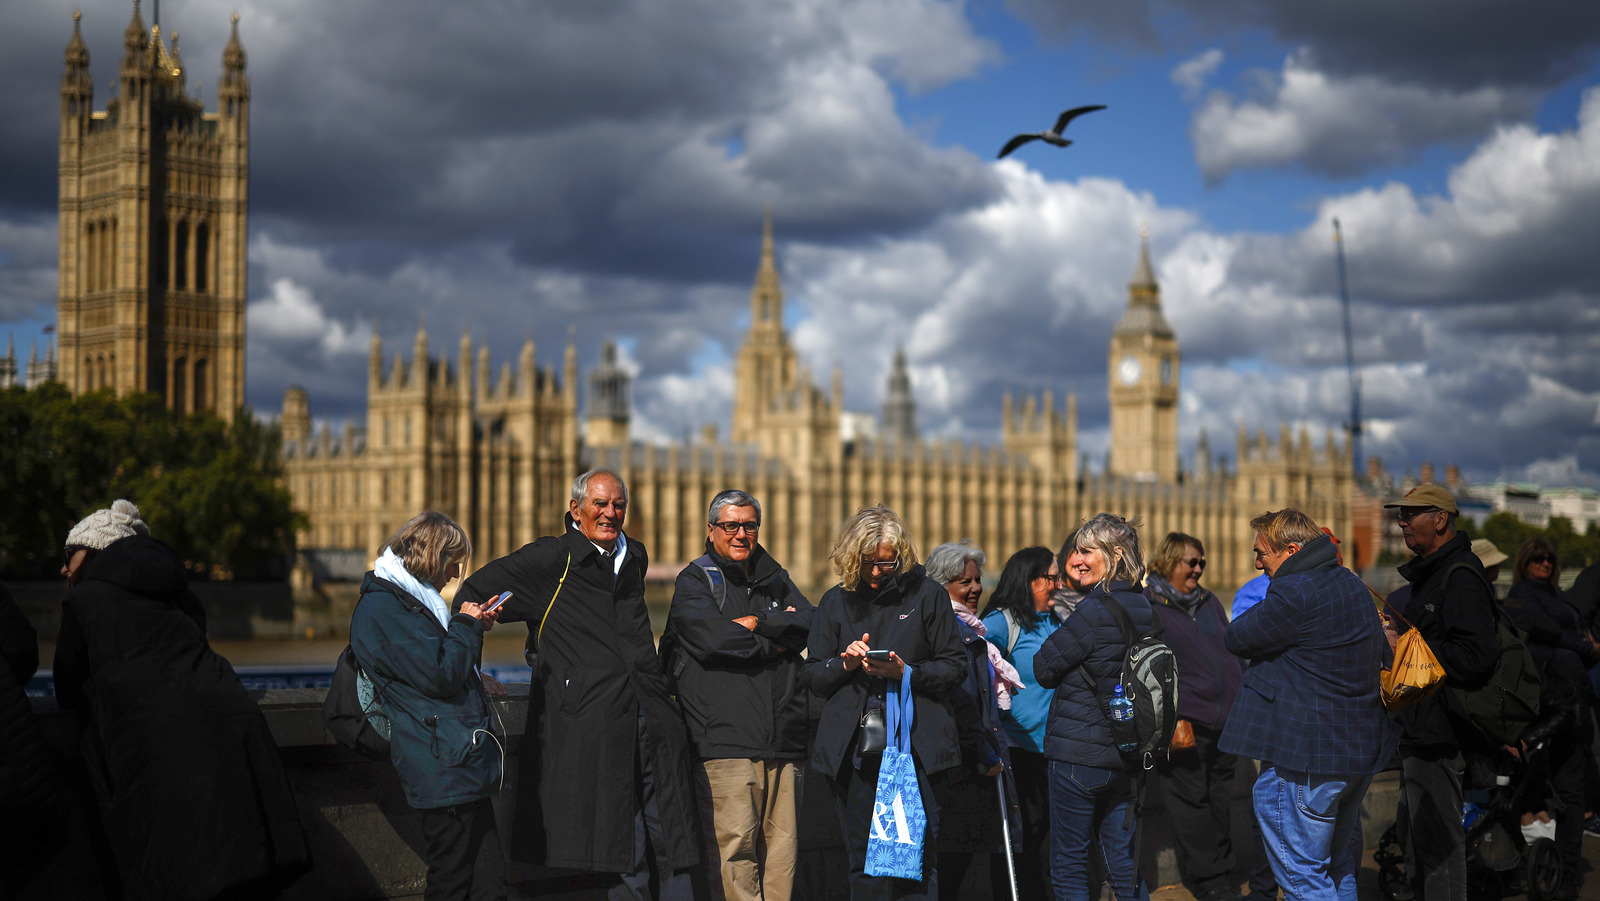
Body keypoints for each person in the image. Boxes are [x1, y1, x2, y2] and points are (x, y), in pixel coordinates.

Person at [455, 469, 701, 900]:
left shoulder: (634, 557)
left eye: (618, 505)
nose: (610, 513)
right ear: (576, 510)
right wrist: (471, 671)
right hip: (597, 727)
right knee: (625, 854)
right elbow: (472, 595)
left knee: (676, 849)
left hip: (654, 722)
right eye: (600, 504)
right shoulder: (552, 559)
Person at [52, 500, 310, 901]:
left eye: (70, 555)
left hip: (162, 750)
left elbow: (67, 687)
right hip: (237, 732)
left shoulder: (86, 599)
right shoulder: (176, 589)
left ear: (96, 549)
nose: (64, 568)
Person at [1219, 509, 1394, 901]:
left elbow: (1237, 636)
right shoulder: (1351, 584)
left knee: (1302, 878)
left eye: (1262, 553)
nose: (1256, 562)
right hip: (1357, 754)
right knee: (1337, 865)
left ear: (1291, 550)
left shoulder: (1295, 590)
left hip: (1307, 758)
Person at [803, 505, 967, 900]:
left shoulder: (927, 596)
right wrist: (842, 663)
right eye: (868, 563)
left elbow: (955, 665)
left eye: (886, 562)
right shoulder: (834, 602)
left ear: (902, 554)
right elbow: (812, 675)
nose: (877, 572)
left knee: (917, 864)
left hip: (918, 751)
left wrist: (905, 672)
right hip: (856, 755)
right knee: (864, 866)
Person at [659, 489, 815, 901]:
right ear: (711, 530)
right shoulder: (695, 580)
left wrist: (755, 622)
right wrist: (779, 638)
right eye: (731, 525)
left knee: (784, 858)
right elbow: (713, 640)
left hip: (784, 739)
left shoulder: (775, 575)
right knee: (734, 859)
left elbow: (812, 623)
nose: (741, 533)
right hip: (725, 743)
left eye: (749, 525)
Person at [350, 512, 507, 901]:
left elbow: (446, 670)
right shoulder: (384, 608)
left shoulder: (411, 602)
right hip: (439, 766)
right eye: (453, 562)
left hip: (457, 762)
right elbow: (440, 676)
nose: (455, 575)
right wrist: (466, 626)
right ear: (432, 555)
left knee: (490, 885)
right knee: (452, 883)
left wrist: (474, 634)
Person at [1033, 513, 1156, 901]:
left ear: (1115, 555)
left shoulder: (1094, 609)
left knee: (1069, 864)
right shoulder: (1144, 606)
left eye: (1087, 551)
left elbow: (1043, 667)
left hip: (1079, 757)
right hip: (1127, 754)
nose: (1078, 559)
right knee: (1122, 861)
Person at [1385, 484, 1499, 901]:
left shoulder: (1460, 575)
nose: (1401, 521)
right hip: (1420, 729)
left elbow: (1476, 657)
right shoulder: (1432, 574)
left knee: (1440, 853)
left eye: (1410, 514)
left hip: (1441, 732)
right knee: (1420, 848)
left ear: (1440, 519)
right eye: (1400, 514)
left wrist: (1410, 648)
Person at [1143, 533, 1243, 901]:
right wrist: (1170, 714)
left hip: (1224, 721)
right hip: (1182, 723)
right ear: (1169, 562)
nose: (1199, 568)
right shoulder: (1149, 603)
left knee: (1219, 801)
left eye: (1201, 562)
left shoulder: (1209, 600)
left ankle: (1223, 873)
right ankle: (1212, 880)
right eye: (1191, 562)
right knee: (1190, 806)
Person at [924, 540, 1022, 901]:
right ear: (941, 585)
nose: (976, 588)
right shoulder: (951, 630)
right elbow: (961, 698)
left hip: (970, 757)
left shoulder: (971, 628)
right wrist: (985, 752)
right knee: (952, 859)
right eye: (965, 582)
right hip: (963, 762)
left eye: (977, 580)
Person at [980, 546, 1067, 899]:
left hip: (1056, 750)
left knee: (1048, 840)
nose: (1058, 585)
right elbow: (973, 662)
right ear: (1029, 580)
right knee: (1020, 840)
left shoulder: (1057, 620)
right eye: (1051, 578)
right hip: (1019, 751)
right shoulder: (1004, 622)